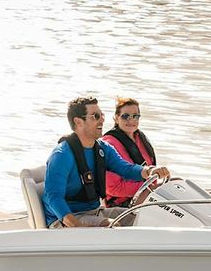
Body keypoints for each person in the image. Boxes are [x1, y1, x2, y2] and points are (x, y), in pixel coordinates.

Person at [43, 96, 171, 228]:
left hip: (94, 212)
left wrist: (149, 171)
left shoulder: (103, 148)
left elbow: (126, 169)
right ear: (78, 122)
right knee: (113, 225)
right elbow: (54, 197)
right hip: (65, 220)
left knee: (146, 218)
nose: (102, 120)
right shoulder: (62, 155)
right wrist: (77, 226)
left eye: (102, 115)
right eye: (96, 116)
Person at [100, 96, 158, 207]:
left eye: (135, 116)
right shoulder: (108, 144)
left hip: (147, 192)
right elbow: (113, 188)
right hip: (122, 204)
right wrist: (151, 188)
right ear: (116, 118)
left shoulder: (140, 138)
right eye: (125, 116)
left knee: (176, 182)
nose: (131, 120)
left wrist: (155, 187)